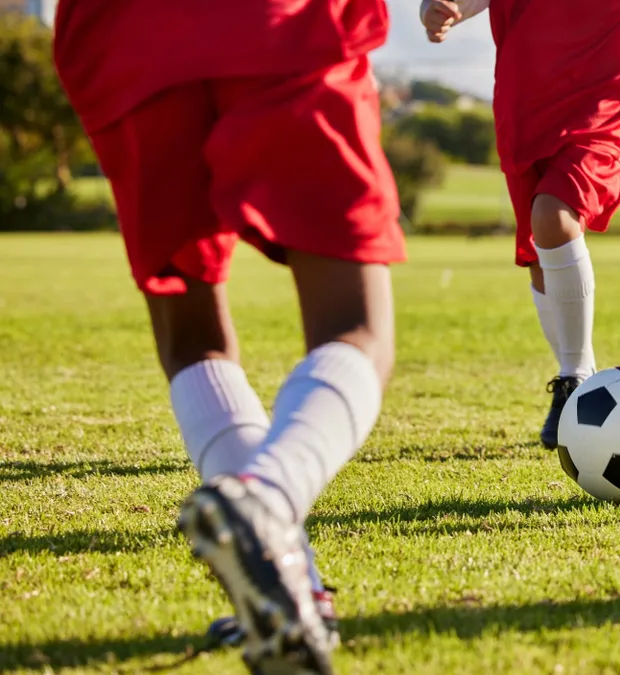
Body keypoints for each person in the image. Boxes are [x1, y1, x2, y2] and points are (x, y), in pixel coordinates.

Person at [53, 0, 404, 671]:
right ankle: (269, 496)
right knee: (356, 324)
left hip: (120, 35)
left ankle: (289, 583)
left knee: (191, 335)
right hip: (280, 20)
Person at [420, 0, 620, 449]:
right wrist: (442, 8)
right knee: (540, 256)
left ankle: (574, 380)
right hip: (525, 103)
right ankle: (583, 381)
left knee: (554, 217)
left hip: (602, 99)